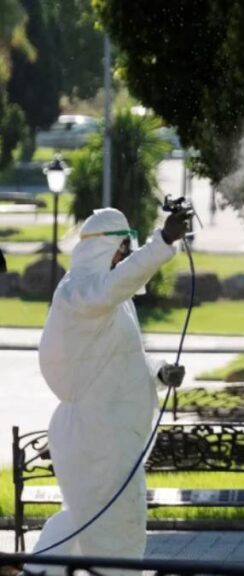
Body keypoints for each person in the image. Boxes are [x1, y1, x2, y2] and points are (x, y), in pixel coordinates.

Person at [26, 206, 192, 573]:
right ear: (103, 248)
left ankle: (37, 570)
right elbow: (118, 283)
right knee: (105, 527)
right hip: (95, 438)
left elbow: (122, 362)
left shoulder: (112, 302)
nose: (125, 258)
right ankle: (38, 570)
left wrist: (161, 372)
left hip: (116, 440)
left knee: (100, 523)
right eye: (122, 249)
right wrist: (162, 241)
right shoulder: (80, 292)